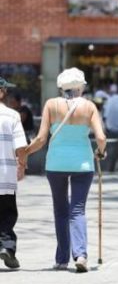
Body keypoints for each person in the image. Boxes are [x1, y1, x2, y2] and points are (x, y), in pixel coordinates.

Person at [25, 68, 107, 273]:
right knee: (77, 209)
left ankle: (62, 259)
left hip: (56, 164)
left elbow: (41, 139)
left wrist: (24, 153)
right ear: (80, 86)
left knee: (60, 211)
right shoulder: (89, 107)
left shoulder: (51, 105)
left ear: (62, 86)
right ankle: (80, 255)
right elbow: (102, 138)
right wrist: (100, 152)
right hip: (83, 164)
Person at [0, 77, 27, 269]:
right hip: (5, 174)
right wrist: (22, 165)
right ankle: (7, 248)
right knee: (7, 214)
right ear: (1, 92)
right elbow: (21, 146)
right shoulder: (12, 116)